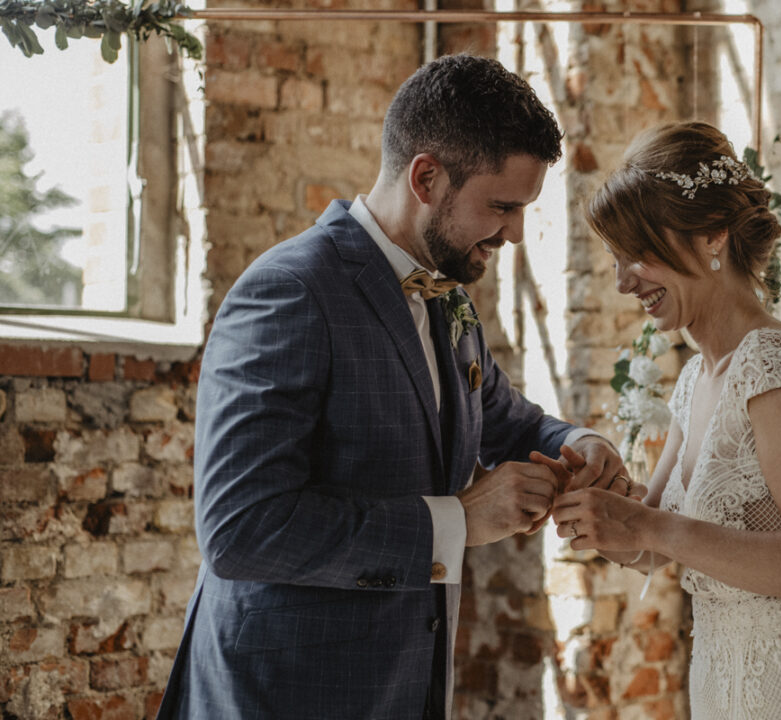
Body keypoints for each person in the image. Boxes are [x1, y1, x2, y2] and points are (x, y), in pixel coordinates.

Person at [157, 54, 633, 720]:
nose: (517, 234)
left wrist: (580, 442)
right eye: (503, 206)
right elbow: (241, 530)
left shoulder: (445, 293)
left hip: (404, 688)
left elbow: (501, 416)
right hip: (282, 696)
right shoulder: (289, 292)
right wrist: (459, 521)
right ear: (427, 177)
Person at [552, 121, 781, 719]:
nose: (625, 281)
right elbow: (651, 544)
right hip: (720, 689)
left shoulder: (773, 365)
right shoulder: (695, 380)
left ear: (711, 239)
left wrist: (650, 529)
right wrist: (596, 509)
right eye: (617, 260)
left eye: (640, 255)